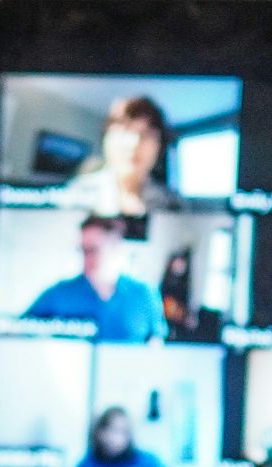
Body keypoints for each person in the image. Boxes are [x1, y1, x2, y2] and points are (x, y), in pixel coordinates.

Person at [23, 215, 167, 343]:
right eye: (83, 250)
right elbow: (20, 332)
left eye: (93, 250)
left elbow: (155, 345)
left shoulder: (144, 294)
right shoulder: (59, 294)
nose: (86, 258)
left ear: (115, 247)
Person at [63, 95, 181, 217]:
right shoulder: (73, 196)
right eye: (125, 130)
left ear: (159, 146)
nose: (134, 143)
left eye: (145, 134)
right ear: (106, 139)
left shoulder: (173, 205)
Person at [72, 406, 176, 467]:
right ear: (100, 433)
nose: (115, 438)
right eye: (111, 430)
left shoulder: (149, 463)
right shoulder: (86, 465)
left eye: (122, 431)